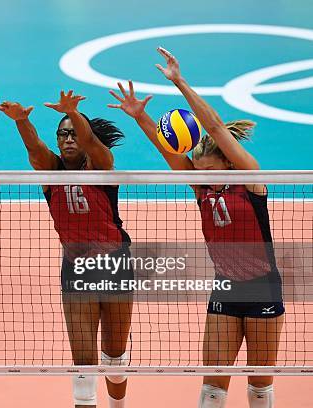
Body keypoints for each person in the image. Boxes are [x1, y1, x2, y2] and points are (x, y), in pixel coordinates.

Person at [108, 47, 283, 408]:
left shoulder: (251, 182)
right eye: (198, 172)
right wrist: (141, 118)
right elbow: (169, 153)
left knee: (260, 384)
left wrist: (180, 82)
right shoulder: (202, 188)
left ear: (230, 165)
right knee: (213, 386)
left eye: (211, 171)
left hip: (263, 289)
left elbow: (216, 127)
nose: (203, 179)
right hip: (226, 288)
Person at [0, 92, 133, 408]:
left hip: (116, 265)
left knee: (115, 360)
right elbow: (35, 149)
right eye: (63, 133)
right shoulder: (51, 172)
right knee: (83, 366)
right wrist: (22, 120)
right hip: (77, 270)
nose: (69, 139)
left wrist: (75, 114)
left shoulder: (101, 166)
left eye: (75, 133)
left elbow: (97, 150)